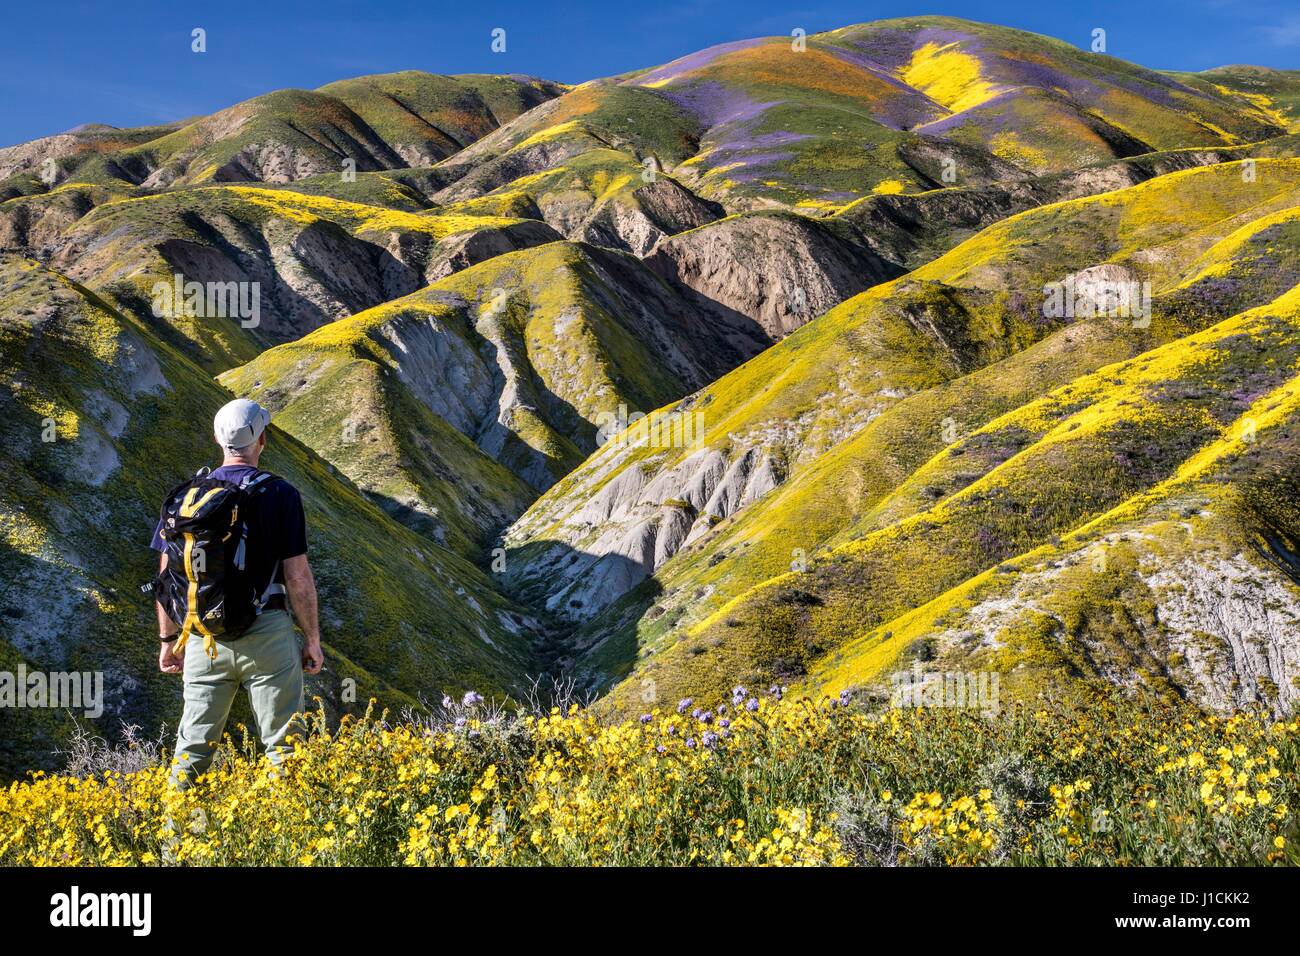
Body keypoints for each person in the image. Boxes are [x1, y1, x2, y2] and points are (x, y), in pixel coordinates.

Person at [154, 398, 324, 788]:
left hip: (202, 638)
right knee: (284, 748)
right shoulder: (281, 494)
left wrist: (168, 641)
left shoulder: (187, 499)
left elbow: (167, 578)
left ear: (217, 438)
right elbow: (297, 576)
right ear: (262, 440)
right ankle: (286, 841)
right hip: (267, 632)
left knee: (193, 750)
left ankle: (174, 842)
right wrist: (312, 639)